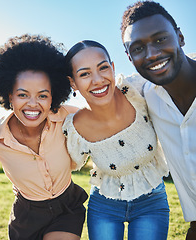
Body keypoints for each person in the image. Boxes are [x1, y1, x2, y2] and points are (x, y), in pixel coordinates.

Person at [62, 40, 170, 240]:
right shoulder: (74, 127)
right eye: (84, 74)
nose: (97, 80)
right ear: (73, 83)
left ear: (112, 68)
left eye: (103, 68)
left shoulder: (136, 90)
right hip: (105, 205)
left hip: (152, 200)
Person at [0, 34, 88, 240]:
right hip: (26, 217)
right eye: (23, 95)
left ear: (53, 97)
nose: (33, 104)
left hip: (67, 208)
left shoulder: (68, 117)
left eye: (42, 95)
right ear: (9, 96)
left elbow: (105, 119)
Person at [121, 1, 196, 239]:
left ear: (180, 37)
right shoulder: (142, 93)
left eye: (161, 39)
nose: (152, 54)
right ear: (129, 57)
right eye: (138, 48)